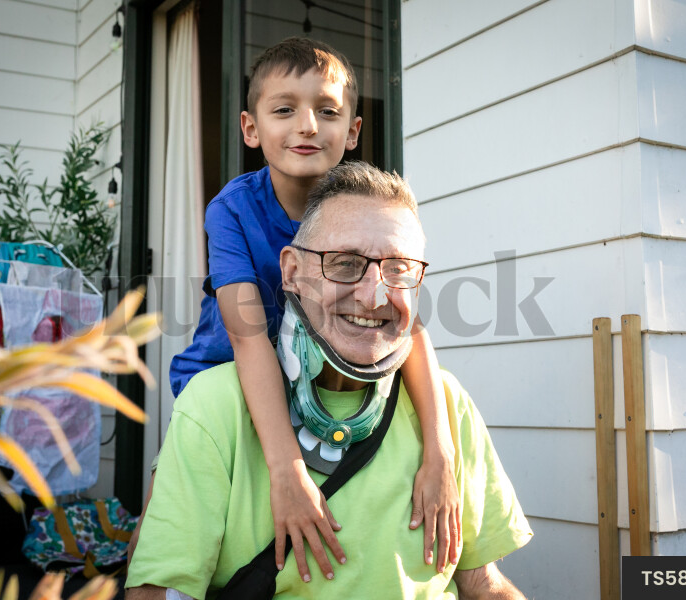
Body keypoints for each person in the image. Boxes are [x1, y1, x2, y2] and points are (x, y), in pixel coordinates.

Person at [125, 162, 533, 600]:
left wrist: (439, 447)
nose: (374, 295)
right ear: (291, 272)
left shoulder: (448, 405)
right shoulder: (214, 405)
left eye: (398, 268)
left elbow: (483, 585)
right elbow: (155, 593)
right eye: (345, 264)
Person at [145, 37, 461, 579]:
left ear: (353, 132)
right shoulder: (233, 210)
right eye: (285, 109)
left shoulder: (363, 209)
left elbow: (410, 328)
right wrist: (286, 468)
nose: (308, 125)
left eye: (328, 111)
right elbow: (246, 335)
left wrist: (441, 454)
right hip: (226, 369)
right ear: (250, 128)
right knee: (166, 521)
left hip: (313, 377)